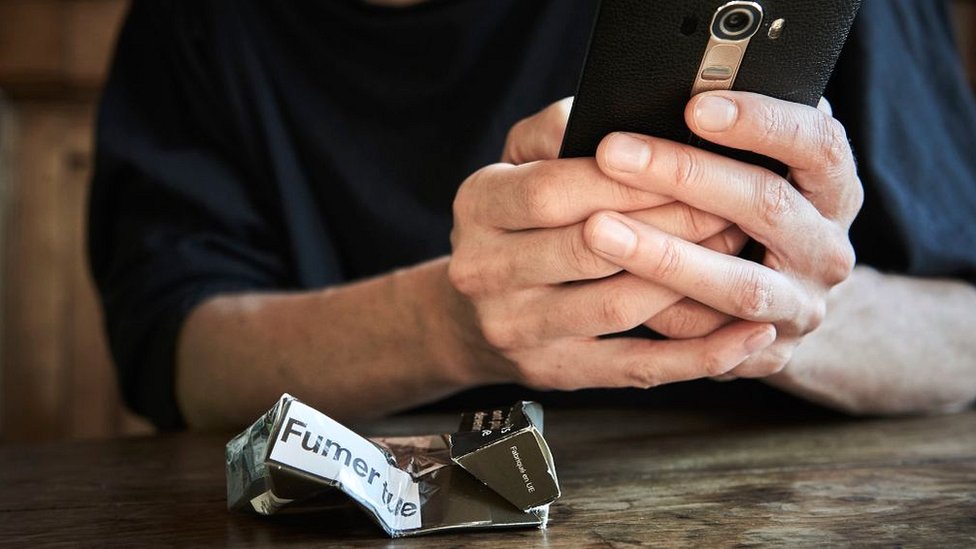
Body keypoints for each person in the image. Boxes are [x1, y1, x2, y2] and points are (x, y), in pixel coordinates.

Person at [89, 0, 976, 431]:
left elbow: (963, 334)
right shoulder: (196, 23)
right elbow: (174, 353)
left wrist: (760, 302)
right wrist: (449, 326)